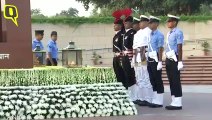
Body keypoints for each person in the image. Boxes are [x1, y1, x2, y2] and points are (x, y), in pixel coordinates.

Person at [132, 15, 154, 106]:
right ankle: (142, 97)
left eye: (141, 22)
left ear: (146, 22)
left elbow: (146, 46)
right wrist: (134, 59)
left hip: (144, 55)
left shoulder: (149, 32)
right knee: (139, 77)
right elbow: (135, 47)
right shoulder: (138, 33)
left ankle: (148, 98)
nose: (139, 24)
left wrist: (143, 58)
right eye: (139, 22)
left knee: (146, 77)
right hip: (137, 56)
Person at [165, 14, 184, 110]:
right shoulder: (169, 33)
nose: (168, 23)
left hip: (175, 59)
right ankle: (173, 100)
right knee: (171, 80)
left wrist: (180, 61)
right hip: (169, 58)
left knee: (176, 80)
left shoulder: (178, 32)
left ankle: (178, 102)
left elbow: (180, 47)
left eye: (169, 21)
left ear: (175, 22)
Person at [147, 16, 165, 108]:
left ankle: (159, 100)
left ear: (156, 24)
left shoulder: (159, 35)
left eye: (151, 23)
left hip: (156, 58)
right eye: (149, 23)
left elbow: (160, 48)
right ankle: (155, 98)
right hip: (149, 58)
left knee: (158, 79)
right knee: (152, 79)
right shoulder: (150, 34)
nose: (149, 24)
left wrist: (160, 61)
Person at [121, 8, 137, 102]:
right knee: (127, 75)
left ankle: (134, 95)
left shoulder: (132, 33)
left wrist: (133, 58)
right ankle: (130, 93)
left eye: (127, 23)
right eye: (124, 23)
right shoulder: (125, 33)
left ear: (131, 23)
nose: (125, 24)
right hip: (125, 56)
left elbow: (133, 46)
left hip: (130, 56)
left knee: (131, 75)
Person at [112, 10, 126, 88]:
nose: (114, 26)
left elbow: (123, 47)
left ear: (120, 26)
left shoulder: (122, 35)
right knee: (117, 74)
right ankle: (120, 88)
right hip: (115, 57)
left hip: (120, 56)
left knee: (122, 74)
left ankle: (124, 88)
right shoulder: (116, 35)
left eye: (116, 25)